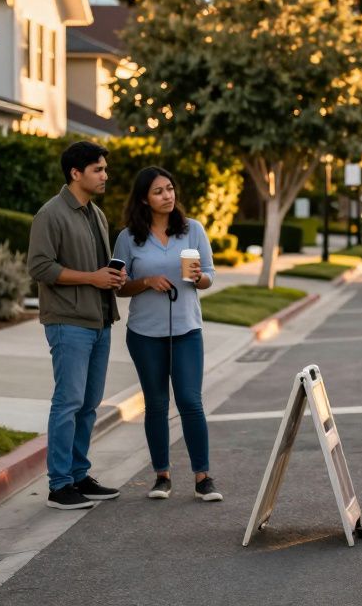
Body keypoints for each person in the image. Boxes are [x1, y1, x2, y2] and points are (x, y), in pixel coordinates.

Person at [113, 166, 222, 502]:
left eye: (170, 189)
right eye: (159, 191)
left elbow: (209, 276)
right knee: (157, 404)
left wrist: (197, 279)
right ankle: (162, 476)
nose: (168, 196)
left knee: (190, 401)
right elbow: (118, 287)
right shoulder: (128, 237)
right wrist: (144, 282)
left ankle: (203, 477)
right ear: (144, 199)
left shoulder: (193, 230)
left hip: (186, 330)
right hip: (145, 334)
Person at [28, 141, 125, 510]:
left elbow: (99, 269)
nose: (105, 175)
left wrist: (112, 277)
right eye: (98, 169)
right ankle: (59, 485)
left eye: (104, 169)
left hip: (99, 321)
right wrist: (91, 278)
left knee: (89, 404)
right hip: (68, 323)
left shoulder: (95, 214)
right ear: (75, 173)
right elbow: (39, 267)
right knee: (67, 402)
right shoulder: (50, 214)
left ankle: (79, 474)